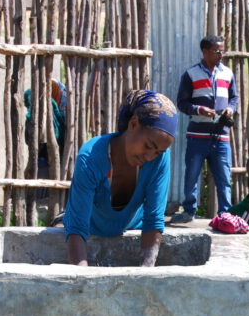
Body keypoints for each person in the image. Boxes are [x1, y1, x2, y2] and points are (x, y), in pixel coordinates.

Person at [64, 90, 177, 267]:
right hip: (89, 229)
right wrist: (82, 283)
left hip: (132, 227)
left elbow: (154, 219)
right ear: (133, 124)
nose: (150, 156)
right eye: (148, 146)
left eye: (158, 152)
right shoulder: (91, 157)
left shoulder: (160, 159)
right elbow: (77, 227)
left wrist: (145, 275)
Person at [172, 35, 239, 223]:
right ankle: (188, 212)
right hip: (197, 136)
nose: (220, 54)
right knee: (192, 175)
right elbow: (182, 103)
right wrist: (199, 109)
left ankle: (226, 215)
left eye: (222, 50)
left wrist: (230, 109)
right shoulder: (191, 74)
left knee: (224, 178)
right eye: (216, 51)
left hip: (221, 135)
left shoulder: (227, 73)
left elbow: (234, 98)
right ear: (205, 52)